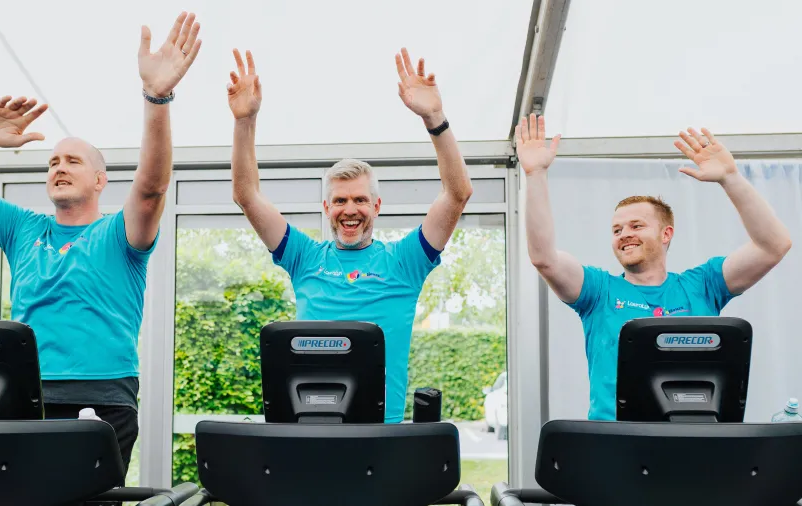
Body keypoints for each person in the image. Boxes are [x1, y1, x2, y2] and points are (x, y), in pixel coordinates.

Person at [0, 11, 202, 472]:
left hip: (103, 398)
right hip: (24, 395)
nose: (59, 166)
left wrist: (157, 97)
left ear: (99, 179)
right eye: (52, 162)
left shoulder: (118, 233)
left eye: (72, 160)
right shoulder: (23, 228)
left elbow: (151, 188)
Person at [227, 47, 474, 423]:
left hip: (380, 436)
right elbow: (247, 196)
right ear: (326, 209)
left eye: (360, 199)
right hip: (308, 430)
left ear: (376, 206)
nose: (350, 209)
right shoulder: (305, 256)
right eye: (340, 200)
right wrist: (245, 122)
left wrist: (434, 118)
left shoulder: (403, 263)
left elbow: (457, 194)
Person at [518, 113, 793, 421]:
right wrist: (535, 175)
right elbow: (544, 257)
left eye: (636, 225)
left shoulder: (703, 285)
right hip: (617, 445)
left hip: (693, 440)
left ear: (666, 234)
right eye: (617, 230)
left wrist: (731, 178)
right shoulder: (598, 292)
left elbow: (773, 246)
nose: (625, 235)